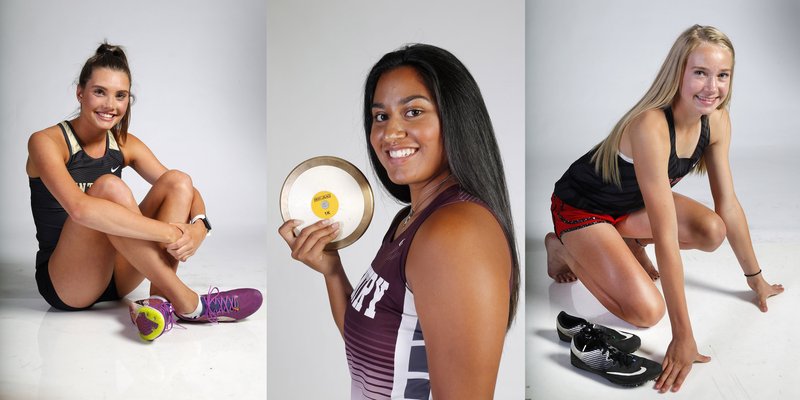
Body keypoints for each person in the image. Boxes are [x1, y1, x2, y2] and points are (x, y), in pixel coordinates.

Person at [544, 25, 784, 392]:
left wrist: (756, 279)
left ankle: (626, 242)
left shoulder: (716, 121)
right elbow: (667, 238)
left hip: (630, 206)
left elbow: (729, 206)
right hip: (582, 208)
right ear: (679, 73)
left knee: (713, 230)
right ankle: (561, 245)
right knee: (646, 312)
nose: (712, 87)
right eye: (700, 73)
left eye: (722, 75)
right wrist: (683, 336)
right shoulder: (651, 126)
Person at [279, 44, 519, 399]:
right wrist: (332, 270)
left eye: (413, 111)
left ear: (455, 118)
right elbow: (377, 345)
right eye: (381, 117)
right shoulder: (410, 220)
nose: (390, 134)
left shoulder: (456, 233)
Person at [26, 43, 262, 341]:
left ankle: (158, 305)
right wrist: (169, 233)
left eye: (120, 95)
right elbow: (80, 209)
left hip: (119, 272)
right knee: (109, 187)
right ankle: (189, 302)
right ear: (80, 93)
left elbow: (188, 190)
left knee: (178, 180)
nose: (110, 104)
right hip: (68, 282)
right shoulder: (46, 142)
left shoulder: (124, 143)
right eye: (100, 91)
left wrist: (200, 227)